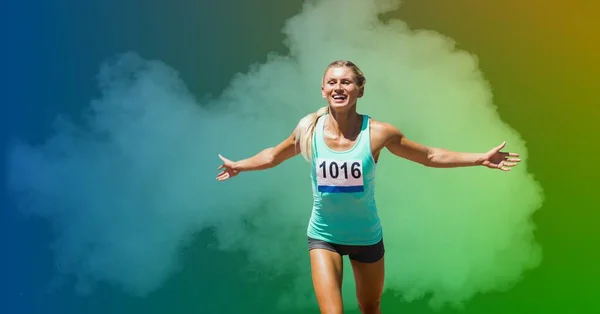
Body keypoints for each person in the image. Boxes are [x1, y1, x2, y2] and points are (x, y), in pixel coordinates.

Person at [216, 60, 521, 314]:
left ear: (360, 89)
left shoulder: (377, 134)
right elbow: (272, 156)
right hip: (324, 237)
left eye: (347, 82)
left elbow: (429, 156)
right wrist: (239, 165)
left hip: (366, 237)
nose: (339, 88)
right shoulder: (308, 130)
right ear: (323, 90)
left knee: (370, 306)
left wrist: (480, 158)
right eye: (332, 82)